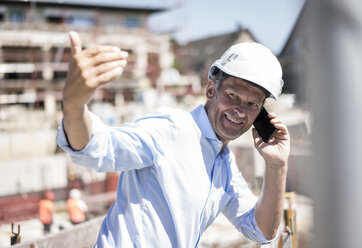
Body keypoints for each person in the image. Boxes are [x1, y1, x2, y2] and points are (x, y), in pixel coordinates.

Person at [57, 31, 290, 248]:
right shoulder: (171, 129)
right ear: (211, 90)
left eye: (252, 104)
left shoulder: (225, 166)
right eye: (232, 95)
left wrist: (276, 165)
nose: (240, 110)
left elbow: (261, 230)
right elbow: (99, 148)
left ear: (260, 114)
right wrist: (74, 105)